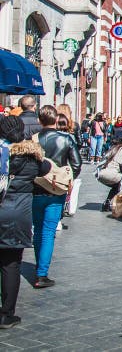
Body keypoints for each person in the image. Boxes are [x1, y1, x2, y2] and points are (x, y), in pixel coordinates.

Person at [0, 116, 51, 328]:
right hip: (17, 216)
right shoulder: (32, 158)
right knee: (11, 264)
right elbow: (47, 168)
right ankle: (6, 314)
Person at [33, 105, 81, 289]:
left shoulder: (33, 140)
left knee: (38, 229)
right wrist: (67, 179)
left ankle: (39, 266)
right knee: (48, 231)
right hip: (56, 191)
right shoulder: (66, 139)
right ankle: (42, 273)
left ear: (40, 121)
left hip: (36, 188)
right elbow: (76, 164)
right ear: (56, 120)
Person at [97, 134, 122, 212]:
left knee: (116, 186)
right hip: (111, 174)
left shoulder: (112, 148)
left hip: (101, 174)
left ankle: (106, 204)